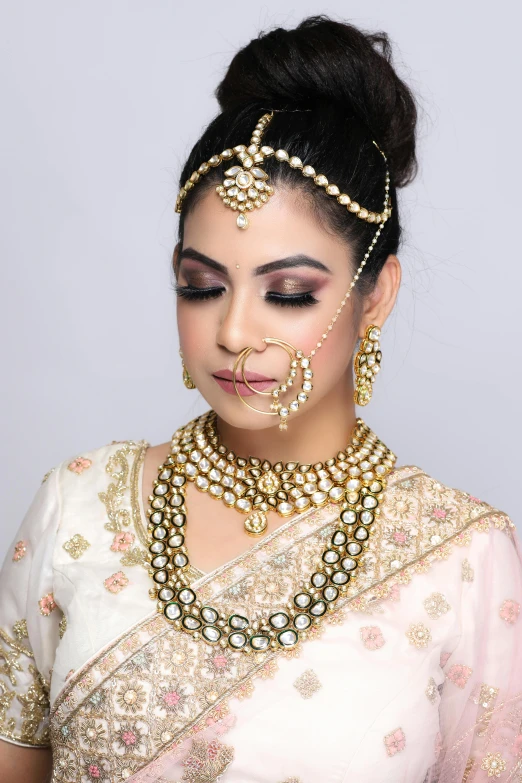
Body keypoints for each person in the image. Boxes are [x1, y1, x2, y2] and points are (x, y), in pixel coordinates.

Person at [1, 14, 521, 783]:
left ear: (375, 296)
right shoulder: (76, 507)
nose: (234, 329)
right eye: (201, 286)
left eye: (287, 293)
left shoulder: (463, 557)